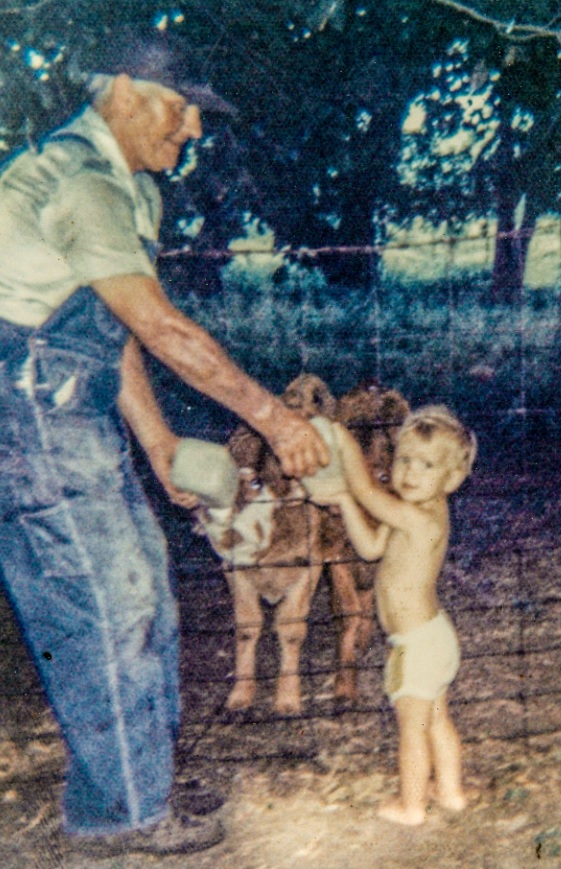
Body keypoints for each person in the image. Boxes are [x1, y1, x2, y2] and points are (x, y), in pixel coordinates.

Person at [0, 32, 329, 858]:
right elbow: (160, 326)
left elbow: (108, 328)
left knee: (140, 587)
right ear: (128, 94)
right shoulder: (81, 181)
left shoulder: (122, 183)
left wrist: (155, 443)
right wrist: (275, 419)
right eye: (184, 110)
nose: (192, 130)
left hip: (68, 409)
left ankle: (134, 781)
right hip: (25, 420)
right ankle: (124, 814)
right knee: (102, 607)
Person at [308, 405, 476, 826]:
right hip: (434, 638)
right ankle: (451, 792)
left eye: (426, 465)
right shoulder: (410, 512)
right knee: (437, 719)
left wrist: (344, 444)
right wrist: (345, 500)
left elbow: (369, 493)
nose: (409, 473)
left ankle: (411, 805)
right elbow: (369, 548)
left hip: (415, 645)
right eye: (403, 460)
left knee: (411, 730)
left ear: (451, 479)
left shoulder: (421, 517)